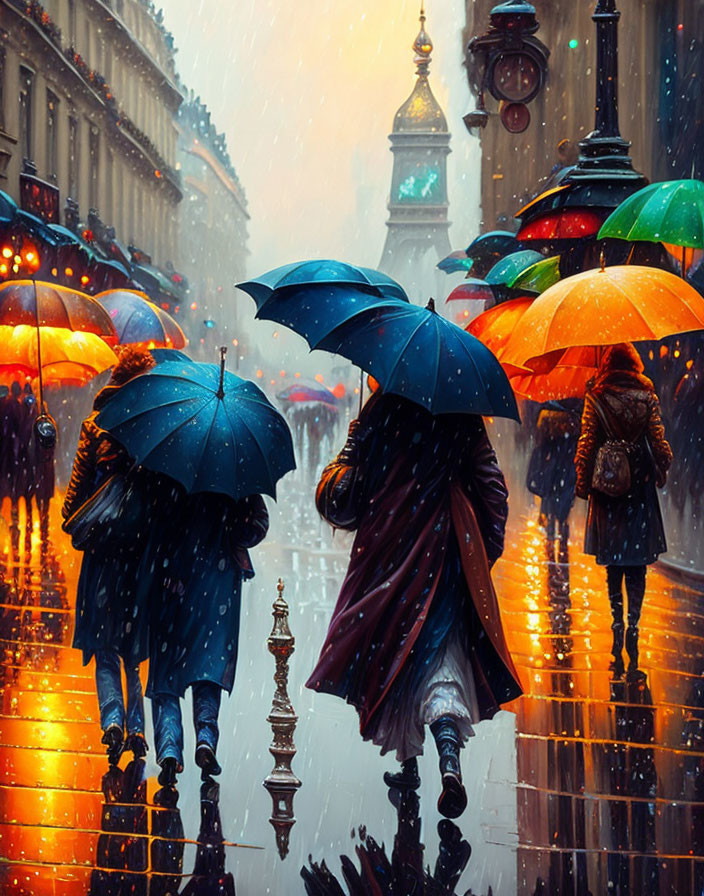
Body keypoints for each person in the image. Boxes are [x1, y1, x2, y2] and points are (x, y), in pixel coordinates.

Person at [307, 390, 522, 819]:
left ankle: (409, 762)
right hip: (444, 551)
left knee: (395, 654)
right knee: (441, 657)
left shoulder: (382, 406)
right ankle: (447, 758)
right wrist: (481, 550)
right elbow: (493, 490)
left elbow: (349, 485)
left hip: (387, 549)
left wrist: (357, 439)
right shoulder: (460, 409)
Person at [62, 347, 156, 764]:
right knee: (133, 650)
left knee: (106, 646)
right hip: (140, 555)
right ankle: (136, 727)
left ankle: (112, 720)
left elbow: (71, 507)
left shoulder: (93, 426)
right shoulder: (156, 430)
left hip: (102, 554)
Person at [147, 490, 269, 786]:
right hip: (218, 579)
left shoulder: (171, 461)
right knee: (208, 665)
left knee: (166, 671)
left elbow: (153, 518)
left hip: (173, 578)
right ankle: (205, 737)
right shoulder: (235, 462)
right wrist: (232, 528)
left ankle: (169, 748)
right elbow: (258, 525)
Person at [575, 343, 673, 679]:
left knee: (614, 564)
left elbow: (587, 442)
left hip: (608, 491)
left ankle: (616, 619)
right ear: (635, 364)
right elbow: (660, 445)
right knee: (637, 564)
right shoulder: (647, 396)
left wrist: (582, 484)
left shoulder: (597, 397)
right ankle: (634, 624)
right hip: (639, 491)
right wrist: (661, 465)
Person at [526, 399, 582, 563]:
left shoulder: (549, 418)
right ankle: (560, 542)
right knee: (562, 510)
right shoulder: (573, 419)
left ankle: (553, 543)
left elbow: (541, 447)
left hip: (555, 474)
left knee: (553, 509)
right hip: (565, 473)